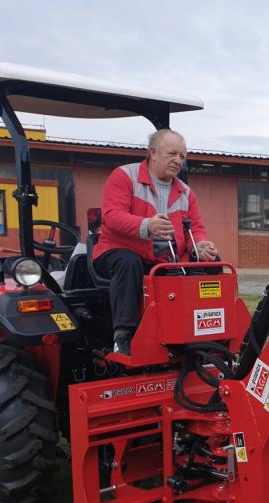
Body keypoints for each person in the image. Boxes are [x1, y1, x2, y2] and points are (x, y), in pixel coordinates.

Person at [93, 129, 218, 355]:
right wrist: (146, 225)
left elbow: (196, 229)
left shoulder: (186, 193)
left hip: (163, 259)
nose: (178, 160)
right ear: (153, 153)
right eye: (172, 154)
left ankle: (207, 331)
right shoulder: (124, 177)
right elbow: (111, 216)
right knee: (129, 262)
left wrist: (200, 247)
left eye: (182, 156)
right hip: (118, 251)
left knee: (213, 264)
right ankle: (124, 336)